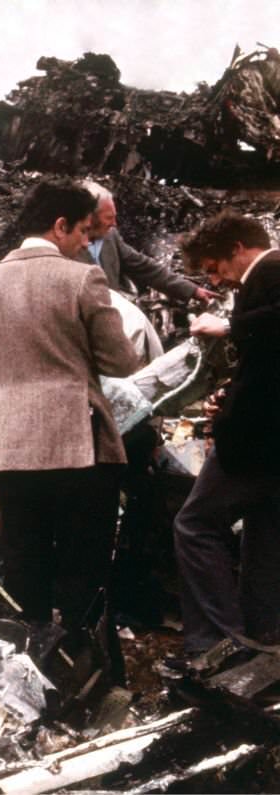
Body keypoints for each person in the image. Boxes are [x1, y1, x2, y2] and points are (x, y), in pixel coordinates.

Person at [0, 178, 139, 675]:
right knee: (84, 562)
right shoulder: (82, 279)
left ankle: (28, 667)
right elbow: (122, 360)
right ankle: (86, 667)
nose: (85, 243)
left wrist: (11, 389)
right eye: (82, 232)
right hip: (78, 443)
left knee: (24, 558)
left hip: (9, 443)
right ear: (60, 226)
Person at [168, 211, 280, 666]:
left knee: (194, 525)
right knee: (265, 536)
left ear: (236, 248)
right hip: (268, 435)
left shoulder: (270, 272)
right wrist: (228, 393)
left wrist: (232, 327)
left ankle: (216, 642)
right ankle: (264, 636)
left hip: (257, 439)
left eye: (214, 268)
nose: (218, 280)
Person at [79, 181, 216, 303]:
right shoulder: (64, 248)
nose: (114, 223)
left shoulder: (110, 236)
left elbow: (145, 267)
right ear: (90, 217)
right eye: (109, 217)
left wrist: (192, 290)